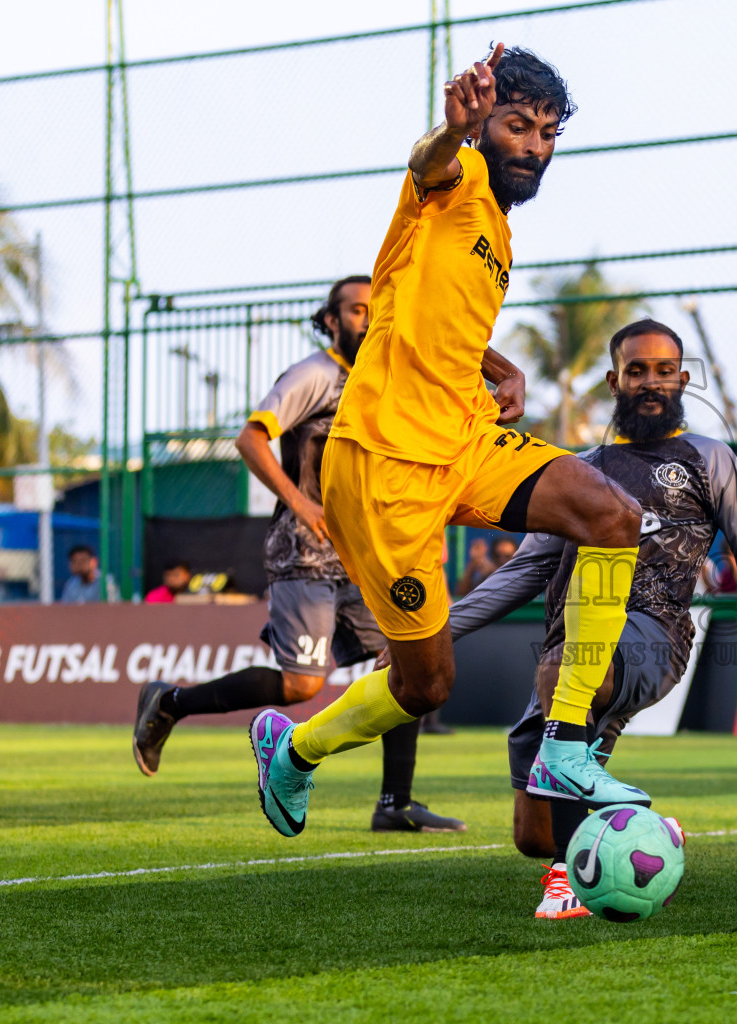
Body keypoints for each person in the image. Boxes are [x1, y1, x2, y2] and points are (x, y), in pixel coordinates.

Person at [250, 44, 647, 841]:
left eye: (547, 133)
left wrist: (498, 365)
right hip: (384, 466)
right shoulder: (456, 177)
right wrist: (452, 129)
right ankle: (294, 748)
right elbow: (429, 160)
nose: (533, 146)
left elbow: (429, 310)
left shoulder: (496, 228)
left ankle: (566, 745)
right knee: (426, 685)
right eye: (517, 125)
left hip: (462, 441)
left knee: (613, 516)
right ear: (482, 124)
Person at [447, 320, 737, 917]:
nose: (650, 382)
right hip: (572, 646)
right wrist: (440, 628)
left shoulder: (708, 459)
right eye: (636, 371)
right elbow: (525, 569)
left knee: (565, 670)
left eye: (664, 370)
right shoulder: (577, 468)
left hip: (653, 636)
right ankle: (647, 833)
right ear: (614, 381)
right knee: (532, 835)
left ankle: (569, 880)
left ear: (684, 379)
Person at [134, 276, 462, 832]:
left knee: (408, 663)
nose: (368, 317)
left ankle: (395, 806)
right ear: (331, 320)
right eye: (357, 310)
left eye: (376, 308)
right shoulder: (315, 374)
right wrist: (301, 505)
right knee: (301, 684)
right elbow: (251, 438)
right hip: (305, 550)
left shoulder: (389, 380)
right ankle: (168, 703)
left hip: (370, 552)